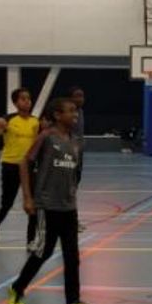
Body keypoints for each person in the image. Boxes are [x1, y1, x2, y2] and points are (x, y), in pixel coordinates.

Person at [6, 97, 96, 304]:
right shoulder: (46, 137)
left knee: (72, 256)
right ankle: (17, 290)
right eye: (70, 111)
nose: (75, 115)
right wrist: (28, 198)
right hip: (47, 206)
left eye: (76, 112)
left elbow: (75, 172)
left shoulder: (76, 141)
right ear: (57, 115)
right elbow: (24, 163)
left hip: (69, 207)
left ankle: (72, 302)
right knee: (42, 252)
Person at [0, 88, 41, 247]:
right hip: (10, 165)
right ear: (15, 103)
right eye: (23, 99)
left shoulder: (35, 122)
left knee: (33, 203)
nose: (27, 101)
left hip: (29, 167)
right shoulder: (7, 119)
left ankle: (31, 240)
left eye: (29, 99)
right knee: (7, 203)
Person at [69, 86, 88, 232]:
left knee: (73, 189)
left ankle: (72, 221)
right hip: (68, 156)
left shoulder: (80, 112)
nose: (80, 99)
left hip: (79, 156)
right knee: (68, 190)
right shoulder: (67, 113)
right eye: (77, 96)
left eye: (82, 96)